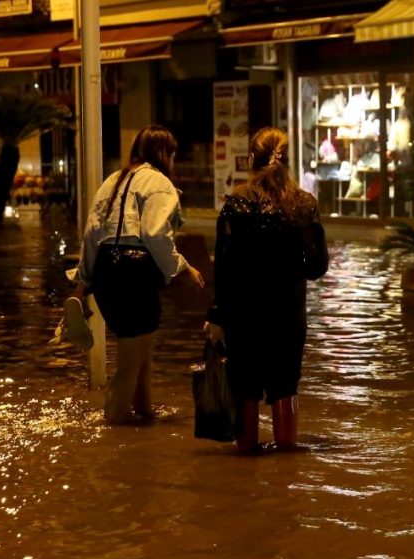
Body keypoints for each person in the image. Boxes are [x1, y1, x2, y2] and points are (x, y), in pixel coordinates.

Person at [204, 127, 329, 453]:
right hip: (288, 316)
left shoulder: (236, 205)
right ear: (287, 161)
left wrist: (216, 316)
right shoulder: (304, 204)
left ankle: (246, 469)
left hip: (244, 317)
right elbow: (318, 267)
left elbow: (224, 271)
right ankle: (286, 469)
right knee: (285, 386)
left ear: (251, 160)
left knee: (245, 388)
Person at [79, 124, 204, 424]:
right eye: (172, 154)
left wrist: (83, 282)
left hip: (106, 271)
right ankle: (114, 431)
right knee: (130, 362)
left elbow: (92, 233)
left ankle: (145, 414)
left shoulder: (112, 181)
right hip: (134, 272)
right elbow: (155, 233)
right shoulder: (159, 183)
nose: (173, 160)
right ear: (163, 153)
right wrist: (182, 267)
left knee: (140, 351)